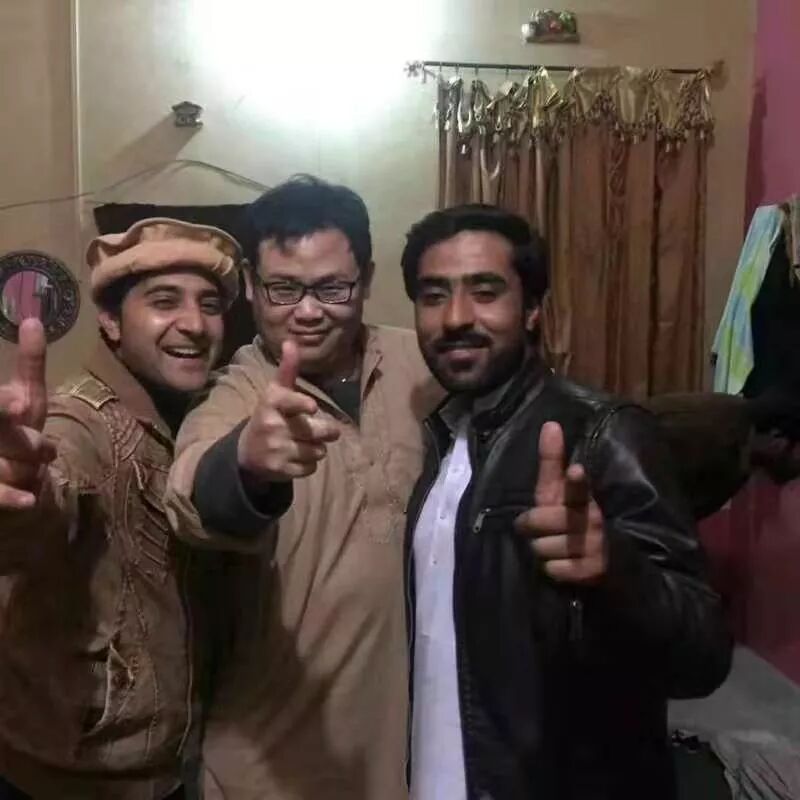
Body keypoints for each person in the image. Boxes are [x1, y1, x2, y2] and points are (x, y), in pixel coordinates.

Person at [399, 204, 734, 800]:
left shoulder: (602, 433)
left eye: (485, 292)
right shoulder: (440, 437)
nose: (455, 318)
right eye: (433, 295)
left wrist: (617, 571)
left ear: (532, 309)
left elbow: (704, 656)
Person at [165, 175, 442, 799]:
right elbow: (190, 496)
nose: (308, 312)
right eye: (284, 289)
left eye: (332, 288)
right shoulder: (237, 393)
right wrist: (246, 465)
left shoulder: (421, 367)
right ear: (252, 286)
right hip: (269, 771)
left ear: (366, 281)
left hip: (408, 761)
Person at [0, 218, 242, 800]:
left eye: (209, 304)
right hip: (67, 783)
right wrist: (21, 500)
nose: (194, 323)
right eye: (164, 301)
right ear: (110, 322)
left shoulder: (201, 414)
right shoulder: (81, 422)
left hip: (169, 771)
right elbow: (48, 505)